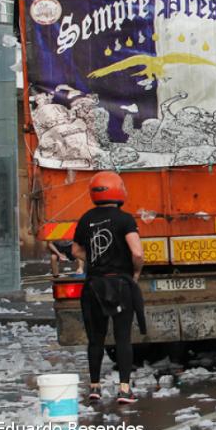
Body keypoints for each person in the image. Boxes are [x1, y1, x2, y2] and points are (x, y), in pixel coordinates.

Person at [70, 172, 146, 403]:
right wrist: (136, 272)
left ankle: (94, 387)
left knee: (95, 339)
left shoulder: (85, 219)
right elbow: (137, 252)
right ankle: (124, 390)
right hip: (120, 284)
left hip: (93, 286)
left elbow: (75, 251)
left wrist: (93, 258)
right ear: (119, 190)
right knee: (122, 338)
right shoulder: (125, 220)